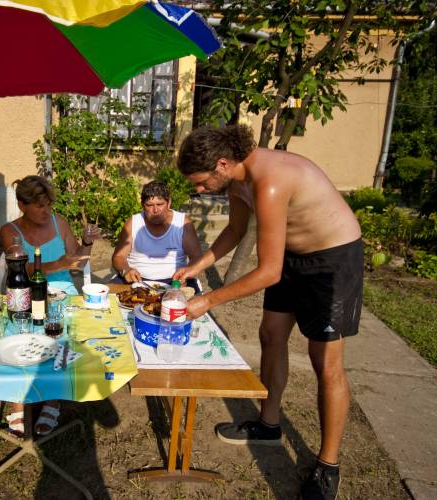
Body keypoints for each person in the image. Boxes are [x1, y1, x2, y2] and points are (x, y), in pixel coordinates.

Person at [174, 124, 363, 500]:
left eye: (200, 182)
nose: (197, 190)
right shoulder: (237, 182)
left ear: (222, 164)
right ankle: (269, 423)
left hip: (332, 261)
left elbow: (267, 272)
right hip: (292, 257)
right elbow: (235, 231)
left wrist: (207, 300)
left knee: (324, 361)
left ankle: (327, 466)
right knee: (271, 335)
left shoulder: (271, 180)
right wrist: (195, 268)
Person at [0, 175, 96, 436]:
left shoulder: (59, 222)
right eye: (40, 205)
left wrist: (86, 243)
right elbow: (21, 267)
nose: (47, 211)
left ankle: (52, 400)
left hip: (61, 292)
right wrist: (61, 263)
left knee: (61, 336)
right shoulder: (10, 231)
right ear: (22, 205)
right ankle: (18, 400)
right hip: (25, 293)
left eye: (48, 204)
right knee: (17, 334)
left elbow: (79, 261)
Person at [111, 180, 203, 294]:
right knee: (102, 296)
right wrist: (126, 270)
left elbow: (197, 257)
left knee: (191, 307)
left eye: (160, 204)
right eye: (149, 205)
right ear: (142, 205)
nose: (155, 210)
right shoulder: (133, 223)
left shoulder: (182, 223)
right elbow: (118, 257)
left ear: (169, 202)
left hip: (175, 281)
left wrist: (187, 272)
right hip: (136, 280)